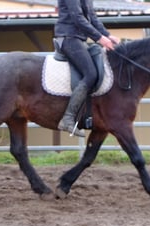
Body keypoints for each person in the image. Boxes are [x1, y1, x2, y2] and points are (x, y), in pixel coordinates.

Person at [54, 0, 120, 137]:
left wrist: (107, 35)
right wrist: (100, 38)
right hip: (68, 37)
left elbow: (92, 17)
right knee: (91, 74)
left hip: (78, 39)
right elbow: (77, 18)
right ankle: (68, 118)